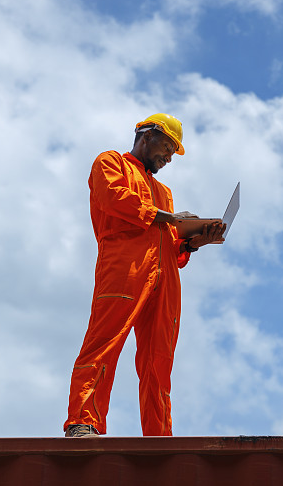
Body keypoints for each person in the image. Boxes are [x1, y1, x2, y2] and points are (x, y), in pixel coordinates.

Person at [64, 113, 226, 438]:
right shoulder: (109, 162)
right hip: (124, 271)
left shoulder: (163, 191)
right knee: (104, 343)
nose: (167, 158)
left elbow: (170, 246)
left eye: (171, 154)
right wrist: (166, 217)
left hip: (164, 281)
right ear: (146, 136)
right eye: (166, 149)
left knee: (159, 362)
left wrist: (194, 241)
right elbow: (115, 199)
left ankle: (159, 438)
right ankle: (84, 422)